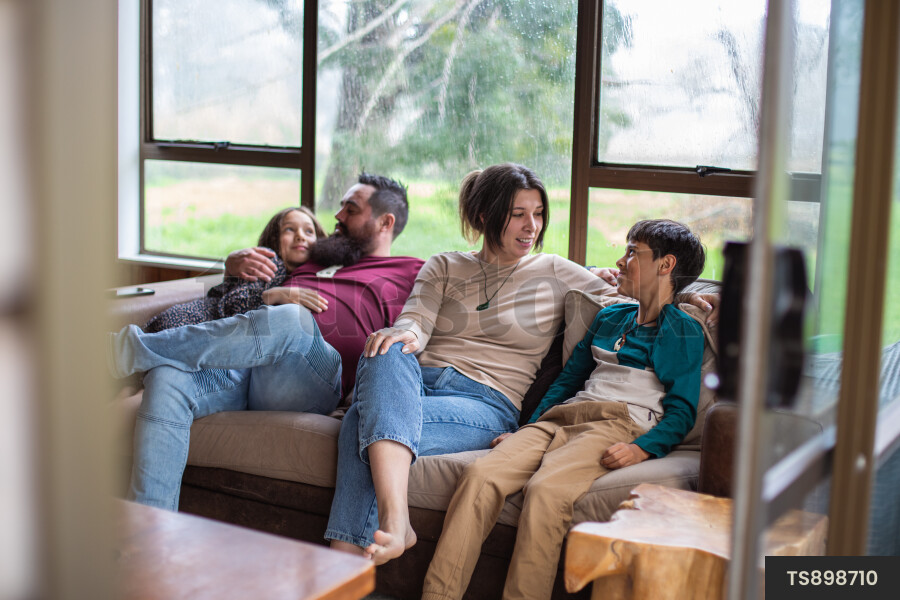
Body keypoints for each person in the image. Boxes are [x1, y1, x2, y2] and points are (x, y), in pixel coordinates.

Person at [323, 165, 716, 565]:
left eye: (539, 214)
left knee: (361, 421)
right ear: (483, 217)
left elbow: (641, 296)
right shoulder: (444, 265)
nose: (532, 226)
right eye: (518, 214)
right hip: (414, 385)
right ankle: (387, 533)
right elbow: (415, 322)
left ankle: (347, 561)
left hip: (484, 405)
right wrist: (403, 333)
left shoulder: (555, 270)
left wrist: (694, 299)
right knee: (385, 346)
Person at [421, 219, 707, 600]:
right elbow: (567, 382)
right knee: (480, 476)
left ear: (665, 265)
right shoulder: (609, 316)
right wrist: (531, 426)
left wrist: (642, 448)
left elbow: (683, 410)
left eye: (632, 253)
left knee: (545, 493)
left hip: (615, 424)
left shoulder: (682, 329)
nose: (621, 261)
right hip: (563, 417)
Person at [107, 173, 424, 511]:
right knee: (166, 378)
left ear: (385, 222)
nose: (337, 216)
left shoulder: (411, 272)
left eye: (351, 208)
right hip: (246, 367)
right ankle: (150, 529)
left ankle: (126, 351)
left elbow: (439, 318)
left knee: (293, 318)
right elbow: (244, 283)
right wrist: (240, 270)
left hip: (311, 377)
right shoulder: (322, 256)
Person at [143, 206, 327, 332]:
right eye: (289, 229)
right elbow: (234, 304)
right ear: (273, 237)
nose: (301, 236)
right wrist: (276, 294)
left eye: (309, 231)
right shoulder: (269, 263)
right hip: (188, 322)